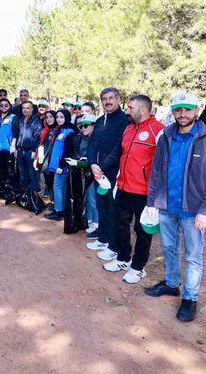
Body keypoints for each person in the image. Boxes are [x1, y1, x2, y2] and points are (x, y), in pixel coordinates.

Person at [145, 91, 206, 322]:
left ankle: (190, 299)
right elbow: (157, 170)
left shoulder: (203, 137)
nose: (182, 114)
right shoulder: (166, 136)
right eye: (178, 110)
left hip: (193, 210)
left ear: (196, 111)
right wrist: (152, 202)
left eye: (187, 109)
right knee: (169, 248)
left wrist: (204, 210)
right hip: (166, 205)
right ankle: (171, 283)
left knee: (193, 257)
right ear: (173, 112)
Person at [101, 95, 164, 283]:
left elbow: (163, 165)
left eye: (130, 107)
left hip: (144, 192)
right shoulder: (128, 129)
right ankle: (123, 258)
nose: (127, 110)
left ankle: (138, 267)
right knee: (120, 225)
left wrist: (156, 195)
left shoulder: (159, 130)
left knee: (142, 230)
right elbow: (120, 154)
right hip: (123, 187)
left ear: (143, 109)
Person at [86, 87, 129, 253]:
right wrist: (92, 164)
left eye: (111, 98)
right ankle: (103, 238)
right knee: (101, 206)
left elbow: (118, 148)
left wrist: (101, 167)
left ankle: (113, 244)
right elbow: (92, 143)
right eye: (104, 99)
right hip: (98, 174)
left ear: (118, 99)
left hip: (113, 173)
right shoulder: (99, 120)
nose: (108, 102)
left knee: (113, 209)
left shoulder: (124, 120)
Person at [64, 114, 97, 233]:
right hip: (80, 173)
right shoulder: (78, 137)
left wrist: (80, 163)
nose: (83, 128)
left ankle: (96, 223)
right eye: (81, 125)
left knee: (92, 199)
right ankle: (86, 221)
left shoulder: (97, 139)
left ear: (94, 125)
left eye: (86, 125)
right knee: (84, 199)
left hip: (94, 174)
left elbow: (96, 158)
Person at [44, 110, 76, 220]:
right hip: (56, 165)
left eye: (61, 117)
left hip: (62, 167)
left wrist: (61, 166)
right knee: (60, 188)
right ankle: (61, 209)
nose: (59, 119)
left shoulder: (70, 132)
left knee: (57, 187)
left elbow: (67, 151)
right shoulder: (60, 130)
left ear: (66, 117)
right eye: (57, 117)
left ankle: (57, 212)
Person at [12, 101, 43, 193]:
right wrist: (16, 148)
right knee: (22, 174)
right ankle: (24, 194)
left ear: (32, 109)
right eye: (23, 108)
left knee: (32, 174)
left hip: (30, 152)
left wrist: (34, 150)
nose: (25, 110)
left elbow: (37, 137)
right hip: (20, 151)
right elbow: (16, 135)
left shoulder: (36, 121)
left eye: (28, 108)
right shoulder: (20, 120)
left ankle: (33, 194)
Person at [0, 98, 16, 195]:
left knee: (9, 170)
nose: (4, 107)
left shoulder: (13, 117)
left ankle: (11, 190)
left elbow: (15, 132)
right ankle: (2, 189)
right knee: (0, 169)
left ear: (9, 106)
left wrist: (13, 145)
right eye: (1, 105)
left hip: (8, 148)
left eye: (6, 105)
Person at [37, 110, 57, 202]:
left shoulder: (59, 130)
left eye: (51, 117)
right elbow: (41, 144)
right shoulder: (45, 130)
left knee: (54, 183)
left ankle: (55, 204)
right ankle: (51, 202)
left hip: (54, 161)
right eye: (47, 117)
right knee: (48, 181)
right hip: (44, 160)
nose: (49, 119)